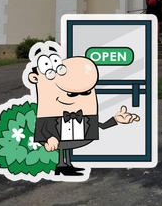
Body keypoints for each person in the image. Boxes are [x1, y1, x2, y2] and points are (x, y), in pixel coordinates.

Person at [29, 42, 139, 176]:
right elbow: (43, 129)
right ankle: (61, 165)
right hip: (57, 138)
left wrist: (116, 119)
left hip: (73, 136)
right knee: (63, 145)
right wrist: (48, 138)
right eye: (71, 94)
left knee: (67, 146)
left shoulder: (85, 115)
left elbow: (101, 126)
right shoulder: (48, 115)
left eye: (86, 93)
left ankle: (66, 165)